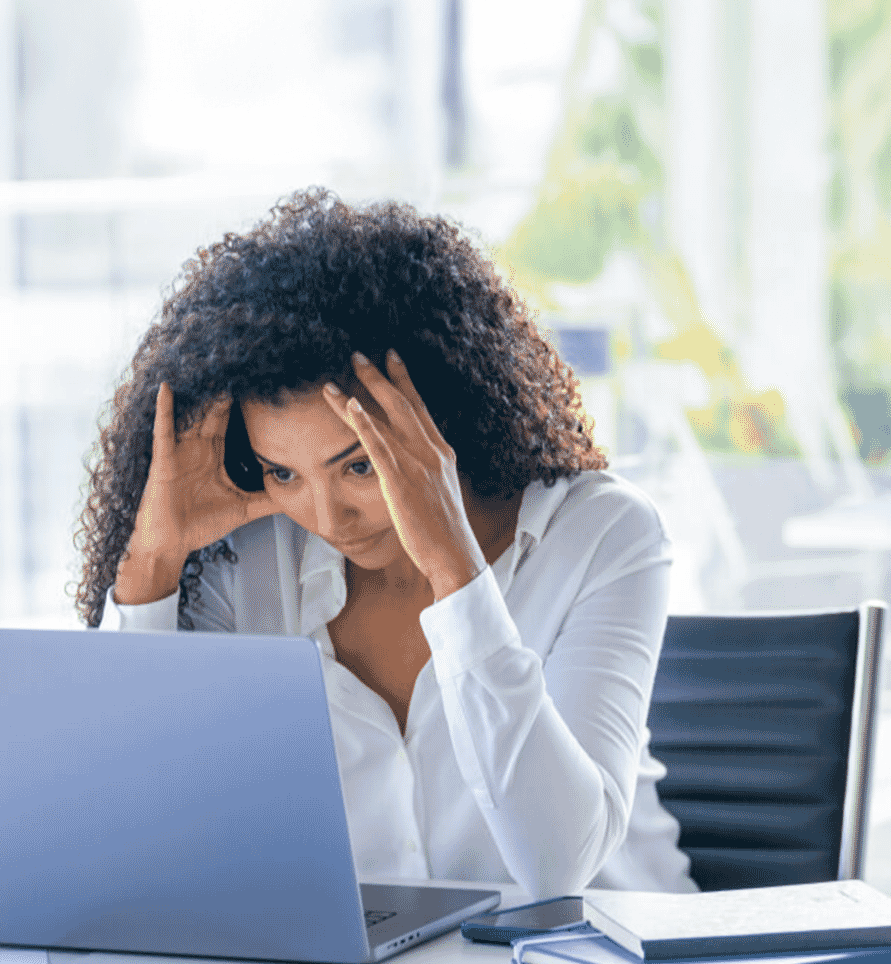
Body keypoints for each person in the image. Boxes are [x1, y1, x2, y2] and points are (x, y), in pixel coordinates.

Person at [75, 189, 696, 897]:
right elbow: (138, 839)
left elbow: (558, 866)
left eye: (359, 465)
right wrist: (151, 567)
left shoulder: (602, 536)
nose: (326, 515)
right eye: (283, 473)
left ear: (443, 414)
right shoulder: (249, 558)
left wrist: (454, 570)